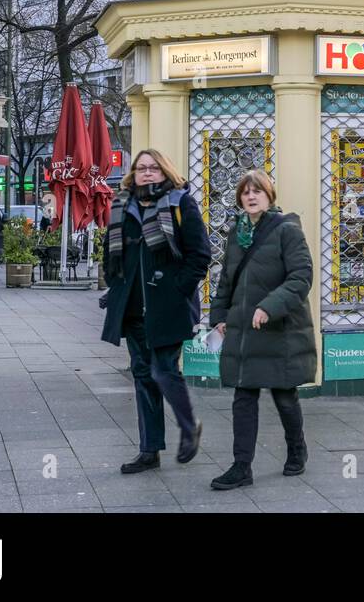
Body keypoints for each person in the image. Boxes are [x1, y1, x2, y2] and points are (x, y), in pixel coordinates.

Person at [99, 149, 211, 475]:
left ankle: (189, 426)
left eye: (154, 168)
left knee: (163, 371)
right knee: (143, 376)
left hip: (168, 307)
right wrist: (114, 283)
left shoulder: (179, 203)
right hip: (132, 307)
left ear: (165, 172)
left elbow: (200, 255)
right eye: (141, 168)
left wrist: (179, 290)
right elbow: (110, 250)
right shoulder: (122, 205)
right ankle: (149, 450)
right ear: (133, 173)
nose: (147, 173)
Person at [208, 169, 315, 490]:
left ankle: (297, 448)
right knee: (244, 397)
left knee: (284, 395)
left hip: (279, 330)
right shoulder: (235, 233)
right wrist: (220, 315)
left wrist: (270, 306)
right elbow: (226, 280)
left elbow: (301, 277)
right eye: (245, 192)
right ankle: (242, 467)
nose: (251, 197)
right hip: (243, 331)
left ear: (270, 196)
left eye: (257, 191)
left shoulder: (287, 230)